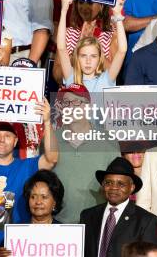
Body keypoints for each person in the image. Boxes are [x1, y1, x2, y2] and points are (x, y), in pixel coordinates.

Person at [0, 101, 58, 257]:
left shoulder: (27, 167)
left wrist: (47, 121)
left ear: (15, 141)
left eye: (7, 136)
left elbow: (52, 159)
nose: (2, 139)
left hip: (14, 251)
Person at [53, 84, 120, 223]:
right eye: (66, 102)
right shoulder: (51, 139)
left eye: (77, 102)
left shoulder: (108, 140)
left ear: (88, 106)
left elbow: (118, 183)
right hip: (58, 223)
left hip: (97, 223)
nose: (71, 107)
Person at [80, 157, 157, 257]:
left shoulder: (147, 221)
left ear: (131, 187)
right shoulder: (87, 216)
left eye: (121, 184)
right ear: (102, 185)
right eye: (108, 183)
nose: (113, 188)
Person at [57, 0, 126, 90]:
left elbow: (122, 50)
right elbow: (61, 48)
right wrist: (64, 11)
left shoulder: (107, 78)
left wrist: (117, 14)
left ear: (100, 59)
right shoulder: (71, 77)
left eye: (93, 56)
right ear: (77, 58)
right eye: (83, 56)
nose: (88, 61)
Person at [0, 170, 66, 256]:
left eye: (44, 197)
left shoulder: (65, 233)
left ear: (55, 202)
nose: (38, 202)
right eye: (33, 197)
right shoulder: (15, 233)